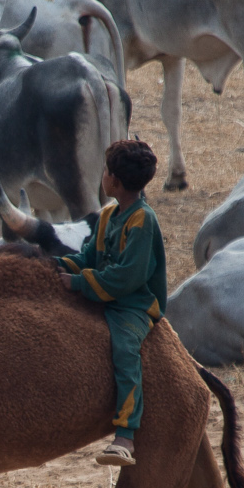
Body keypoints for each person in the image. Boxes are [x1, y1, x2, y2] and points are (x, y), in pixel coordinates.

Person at [58, 139, 166, 466]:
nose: (102, 175)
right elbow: (88, 256)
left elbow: (127, 277)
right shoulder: (108, 215)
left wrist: (77, 283)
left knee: (124, 350)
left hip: (133, 304)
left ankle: (125, 435)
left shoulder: (142, 221)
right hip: (104, 293)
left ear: (114, 181)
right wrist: (54, 265)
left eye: (105, 170)